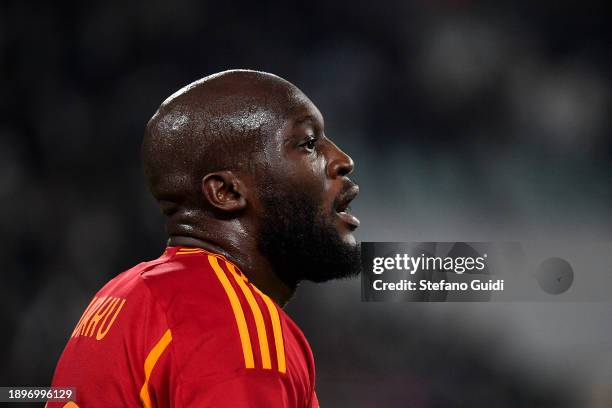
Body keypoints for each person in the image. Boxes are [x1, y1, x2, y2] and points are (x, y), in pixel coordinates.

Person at [47, 69, 361, 407]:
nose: (343, 160)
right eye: (309, 144)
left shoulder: (125, 295)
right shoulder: (236, 330)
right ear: (226, 192)